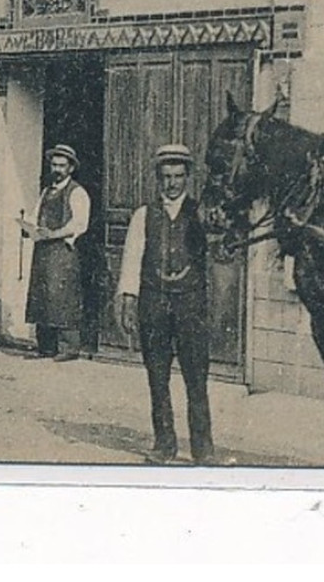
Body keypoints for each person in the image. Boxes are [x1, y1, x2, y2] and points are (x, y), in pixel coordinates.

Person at [116, 144, 215, 464]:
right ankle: (164, 445)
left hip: (190, 304)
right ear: (158, 178)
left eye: (178, 176)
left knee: (196, 378)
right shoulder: (143, 215)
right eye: (166, 177)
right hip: (154, 302)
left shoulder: (201, 213)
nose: (172, 183)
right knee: (157, 376)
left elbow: (218, 254)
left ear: (188, 177)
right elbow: (132, 258)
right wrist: (128, 298)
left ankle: (203, 449)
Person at [18, 144, 90, 361]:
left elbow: (79, 223)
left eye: (61, 166)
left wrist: (55, 233)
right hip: (43, 251)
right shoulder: (46, 191)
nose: (57, 169)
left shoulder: (77, 192)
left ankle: (69, 348)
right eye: (54, 165)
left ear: (70, 169)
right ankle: (46, 347)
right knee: (42, 295)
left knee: (62, 297)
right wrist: (28, 228)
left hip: (63, 251)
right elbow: (35, 216)